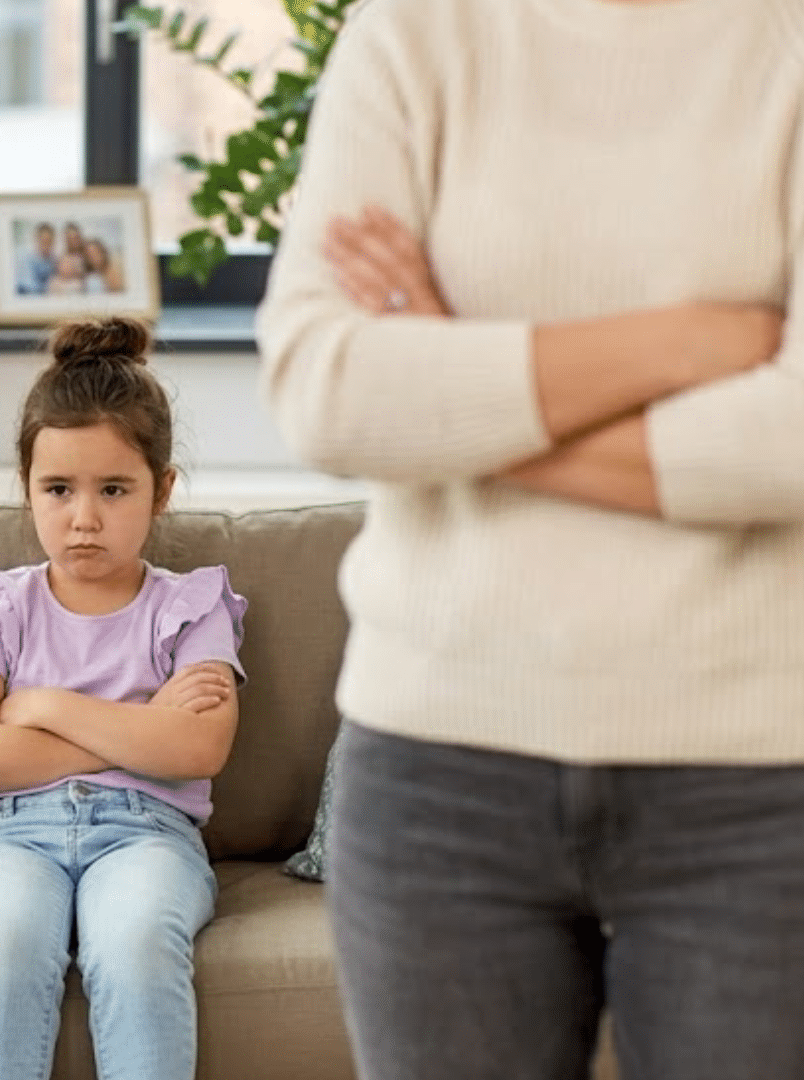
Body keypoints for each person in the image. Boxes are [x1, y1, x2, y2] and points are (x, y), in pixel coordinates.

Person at [257, 0, 804, 1077]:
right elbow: (327, 389)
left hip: (754, 777)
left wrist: (454, 386)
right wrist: (689, 344)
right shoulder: (410, 35)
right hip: (436, 770)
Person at [0, 315, 247, 1080]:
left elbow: (199, 749)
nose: (84, 518)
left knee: (137, 942)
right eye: (58, 489)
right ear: (27, 490)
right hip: (10, 836)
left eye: (114, 489)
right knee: (6, 945)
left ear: (161, 490)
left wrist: (40, 705)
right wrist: (142, 730)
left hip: (149, 837)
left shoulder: (193, 605)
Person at [19, 221, 60, 295]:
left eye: (49, 241)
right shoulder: (27, 259)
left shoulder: (55, 260)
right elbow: (29, 287)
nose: (46, 245)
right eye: (43, 241)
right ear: (36, 240)